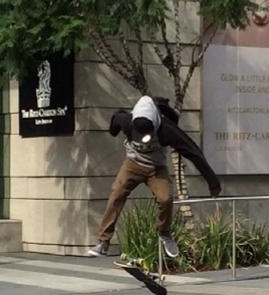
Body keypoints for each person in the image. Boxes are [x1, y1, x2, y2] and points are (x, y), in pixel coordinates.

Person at [87, 94, 222, 259]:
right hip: (132, 164)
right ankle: (103, 242)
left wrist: (213, 182)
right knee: (117, 194)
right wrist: (113, 130)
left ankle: (164, 232)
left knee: (166, 199)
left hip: (156, 168)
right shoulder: (127, 121)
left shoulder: (167, 130)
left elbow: (193, 152)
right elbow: (116, 118)